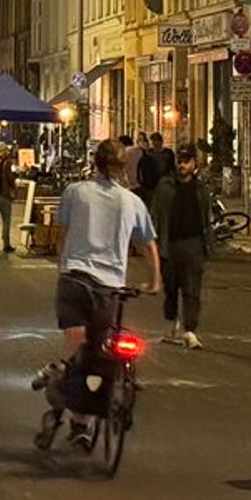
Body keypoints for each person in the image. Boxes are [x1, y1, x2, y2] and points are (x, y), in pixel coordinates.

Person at [32, 139, 162, 448]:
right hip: (109, 285)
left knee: (77, 345)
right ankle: (84, 417)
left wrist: (64, 265)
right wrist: (155, 280)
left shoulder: (75, 192)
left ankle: (61, 377)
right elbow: (148, 243)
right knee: (99, 350)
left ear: (96, 163)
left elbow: (62, 236)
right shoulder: (132, 202)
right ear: (121, 168)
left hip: (75, 279)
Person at [149, 143, 214, 349]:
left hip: (193, 244)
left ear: (194, 164)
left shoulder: (201, 189)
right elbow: (156, 213)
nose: (182, 165)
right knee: (171, 288)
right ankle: (172, 318)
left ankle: (190, 330)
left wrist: (208, 245)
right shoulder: (165, 185)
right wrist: (154, 242)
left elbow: (207, 218)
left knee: (192, 289)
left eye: (186, 161)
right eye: (180, 161)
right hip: (170, 244)